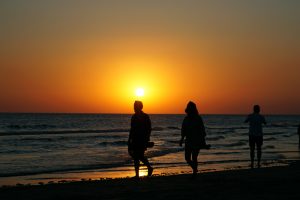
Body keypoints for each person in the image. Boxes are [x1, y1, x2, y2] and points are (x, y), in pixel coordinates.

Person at [179, 101, 209, 177]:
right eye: (188, 107)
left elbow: (202, 130)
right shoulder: (186, 119)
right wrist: (182, 139)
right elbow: (183, 130)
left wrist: (203, 142)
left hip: (196, 140)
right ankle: (195, 169)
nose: (189, 109)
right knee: (187, 158)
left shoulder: (198, 118)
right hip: (188, 140)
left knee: (194, 157)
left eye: (190, 107)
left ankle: (194, 172)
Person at [128, 101, 153, 178]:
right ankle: (141, 172)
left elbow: (149, 128)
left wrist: (147, 139)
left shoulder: (145, 116)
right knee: (137, 156)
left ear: (140, 107)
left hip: (142, 139)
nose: (134, 108)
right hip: (135, 139)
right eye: (134, 106)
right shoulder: (133, 117)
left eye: (135, 106)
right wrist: (129, 139)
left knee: (139, 156)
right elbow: (131, 129)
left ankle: (147, 169)